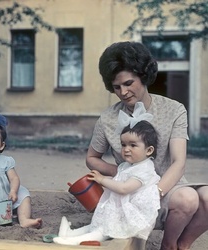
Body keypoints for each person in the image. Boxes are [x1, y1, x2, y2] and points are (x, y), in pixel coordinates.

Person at [85, 41, 208, 250]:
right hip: (132, 189)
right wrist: (122, 172)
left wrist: (155, 191)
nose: (123, 92)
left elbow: (179, 163)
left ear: (144, 76)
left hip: (168, 186)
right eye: (116, 87)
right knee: (188, 199)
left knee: (206, 197)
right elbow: (91, 158)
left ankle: (179, 245)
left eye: (129, 83)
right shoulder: (107, 118)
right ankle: (169, 246)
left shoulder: (174, 109)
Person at [53, 102, 161, 245]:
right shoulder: (128, 165)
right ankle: (69, 234)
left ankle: (73, 241)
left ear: (149, 150)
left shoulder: (145, 169)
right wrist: (103, 179)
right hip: (120, 207)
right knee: (97, 225)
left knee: (102, 231)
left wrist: (103, 179)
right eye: (123, 145)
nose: (126, 149)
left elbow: (124, 188)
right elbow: (119, 179)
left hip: (131, 215)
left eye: (133, 145)